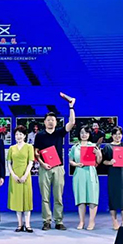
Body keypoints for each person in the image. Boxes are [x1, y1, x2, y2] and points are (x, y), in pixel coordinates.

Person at [34, 93, 76, 230]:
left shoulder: (59, 133)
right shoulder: (40, 135)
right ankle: (46, 221)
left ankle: (58, 221)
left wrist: (71, 107)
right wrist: (42, 163)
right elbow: (36, 152)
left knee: (58, 196)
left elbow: (72, 123)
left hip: (58, 168)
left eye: (53, 120)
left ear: (56, 122)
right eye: (48, 120)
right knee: (45, 197)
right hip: (44, 168)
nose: (50, 122)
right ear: (44, 122)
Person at [69, 125, 102, 230]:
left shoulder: (93, 146)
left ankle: (91, 222)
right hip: (79, 173)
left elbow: (98, 161)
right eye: (82, 132)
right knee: (81, 199)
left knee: (92, 198)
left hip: (91, 172)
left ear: (89, 134)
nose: (84, 135)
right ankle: (81, 221)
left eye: (86, 133)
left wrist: (98, 153)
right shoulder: (75, 147)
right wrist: (76, 164)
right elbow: (70, 161)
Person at [7, 126, 34, 233]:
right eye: (17, 134)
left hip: (26, 176)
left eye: (20, 134)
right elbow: (9, 163)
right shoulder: (12, 148)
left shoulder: (29, 147)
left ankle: (27, 224)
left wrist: (25, 175)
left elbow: (30, 162)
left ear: (25, 136)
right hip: (15, 176)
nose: (18, 136)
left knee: (26, 200)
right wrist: (13, 175)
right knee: (17, 200)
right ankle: (19, 224)